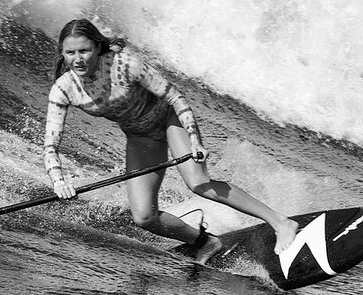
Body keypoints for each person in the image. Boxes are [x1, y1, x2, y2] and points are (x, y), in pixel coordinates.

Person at [43, 18, 299, 264]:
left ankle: (280, 222)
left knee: (198, 183)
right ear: (62, 53)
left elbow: (176, 98)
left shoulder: (125, 64)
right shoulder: (64, 89)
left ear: (97, 47)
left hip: (169, 120)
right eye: (70, 52)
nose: (77, 59)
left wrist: (195, 140)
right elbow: (51, 145)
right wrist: (59, 182)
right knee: (144, 217)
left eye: (84, 50)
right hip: (140, 136)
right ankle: (204, 241)